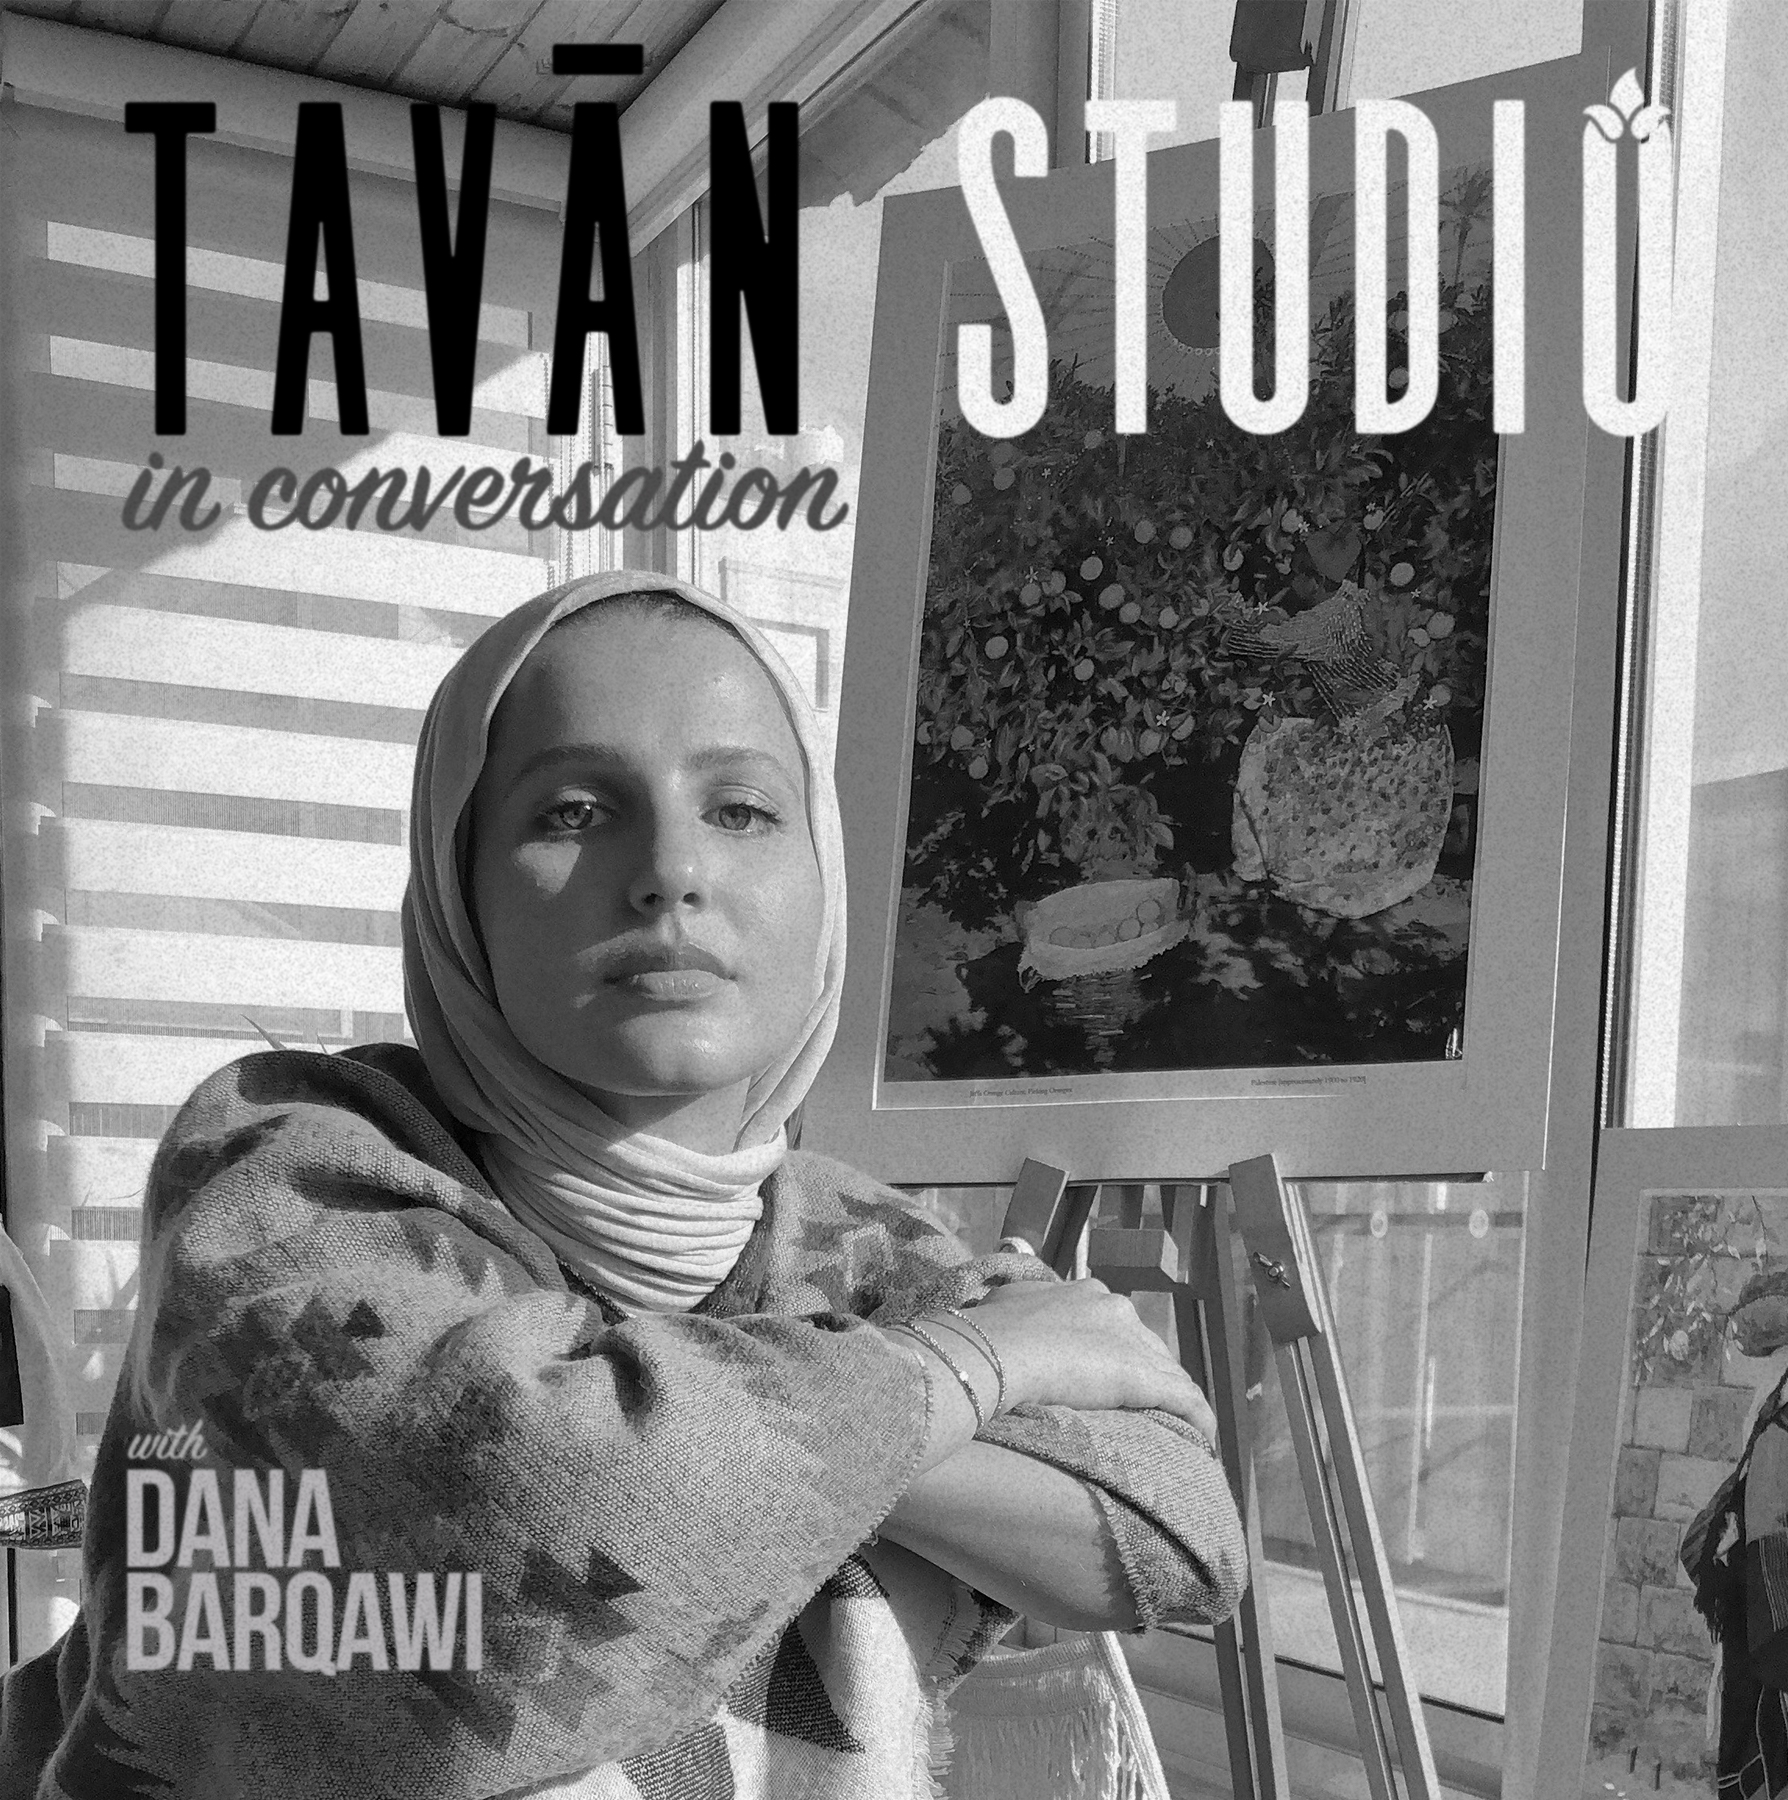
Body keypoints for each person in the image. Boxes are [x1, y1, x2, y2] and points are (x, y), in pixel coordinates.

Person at [0, 570, 1248, 1799]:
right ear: (458, 887)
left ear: (823, 881)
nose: (667, 871)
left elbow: (1176, 1534)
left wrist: (711, 1426)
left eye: (742, 810)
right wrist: (973, 1371)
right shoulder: (294, 1172)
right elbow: (524, 1508)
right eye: (576, 811)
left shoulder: (857, 1241)